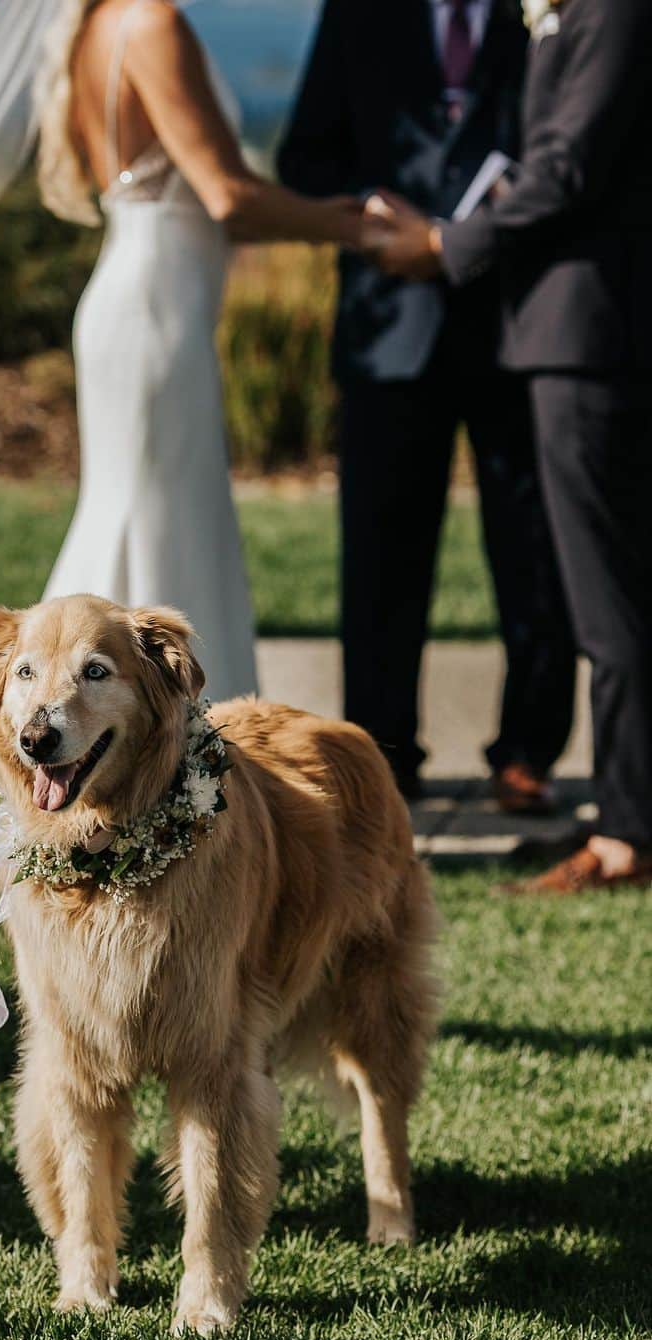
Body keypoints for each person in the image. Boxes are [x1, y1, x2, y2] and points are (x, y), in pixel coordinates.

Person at [368, 0, 652, 891]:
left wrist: (449, 242)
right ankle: (626, 809)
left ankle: (626, 837)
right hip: (571, 334)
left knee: (609, 602)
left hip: (589, 335)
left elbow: (568, 168)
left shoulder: (611, 12)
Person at [276, 0, 575, 805]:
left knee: (534, 551)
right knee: (380, 560)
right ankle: (383, 763)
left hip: (514, 322)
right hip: (390, 331)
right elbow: (304, 156)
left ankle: (527, 754)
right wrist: (377, 212)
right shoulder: (358, 15)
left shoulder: (538, 18)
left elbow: (565, 153)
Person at [36, 0, 363, 701]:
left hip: (138, 299)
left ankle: (112, 744)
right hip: (155, 310)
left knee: (146, 517)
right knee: (160, 529)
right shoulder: (151, 22)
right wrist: (355, 223)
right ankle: (169, 760)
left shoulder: (100, 24)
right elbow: (228, 196)